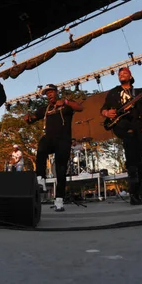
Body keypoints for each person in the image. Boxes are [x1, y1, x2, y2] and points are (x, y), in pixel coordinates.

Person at [24, 84, 84, 212]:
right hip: (50, 139)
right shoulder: (45, 109)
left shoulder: (66, 105)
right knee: (41, 148)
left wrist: (66, 102)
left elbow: (80, 107)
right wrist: (28, 119)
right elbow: (33, 118)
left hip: (64, 140)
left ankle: (59, 201)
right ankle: (41, 180)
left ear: (56, 92)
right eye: (47, 93)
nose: (49, 94)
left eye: (51, 92)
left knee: (60, 170)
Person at [101, 67, 142, 205]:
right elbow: (103, 109)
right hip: (122, 125)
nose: (121, 75)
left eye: (125, 73)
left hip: (137, 126)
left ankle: (136, 193)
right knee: (131, 158)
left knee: (139, 160)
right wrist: (107, 114)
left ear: (130, 76)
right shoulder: (114, 92)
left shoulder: (138, 92)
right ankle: (133, 196)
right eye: (120, 74)